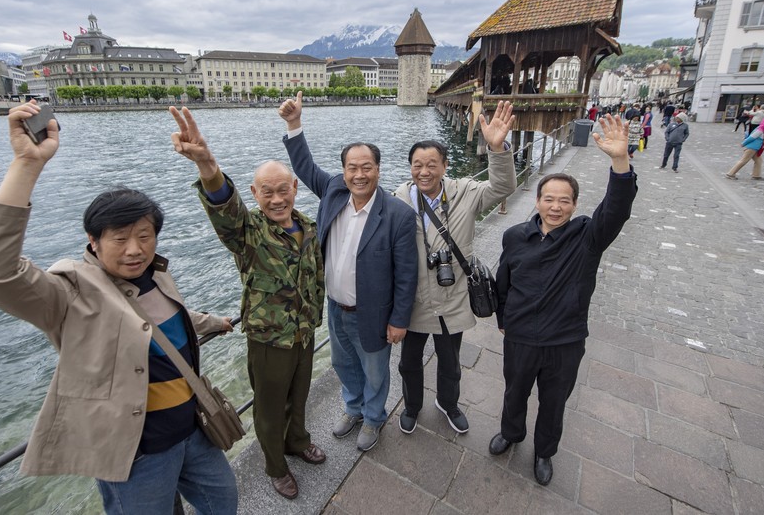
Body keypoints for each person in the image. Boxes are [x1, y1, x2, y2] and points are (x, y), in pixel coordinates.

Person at [0, 103, 238, 515]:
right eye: (119, 237)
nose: (135, 249)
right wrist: (26, 163)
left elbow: (168, 319)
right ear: (92, 240)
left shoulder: (157, 275)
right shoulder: (71, 292)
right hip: (136, 455)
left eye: (145, 235)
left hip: (194, 433)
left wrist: (215, 321)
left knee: (224, 503)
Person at [168, 106, 326, 500]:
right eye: (266, 192)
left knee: (299, 395)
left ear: (294, 187)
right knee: (270, 407)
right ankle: (275, 464)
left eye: (282, 189)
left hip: (305, 331)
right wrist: (207, 165)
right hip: (269, 339)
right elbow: (225, 207)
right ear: (255, 194)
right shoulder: (248, 232)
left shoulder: (308, 226)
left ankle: (298, 440)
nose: (276, 199)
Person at [488, 113, 637, 487]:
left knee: (554, 402)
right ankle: (511, 433)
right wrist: (504, 319)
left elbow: (616, 210)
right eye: (549, 199)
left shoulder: (587, 236)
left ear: (574, 206)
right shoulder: (515, 237)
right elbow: (503, 282)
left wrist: (620, 162)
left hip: (564, 339)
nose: (556, 207)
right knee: (514, 391)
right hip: (521, 336)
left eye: (564, 201)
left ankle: (544, 451)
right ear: (536, 201)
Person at [278, 92, 418, 452]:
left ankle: (373, 418)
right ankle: (353, 408)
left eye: (366, 167)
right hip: (335, 307)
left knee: (375, 370)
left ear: (378, 169)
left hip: (373, 312)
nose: (359, 175)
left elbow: (406, 273)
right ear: (344, 172)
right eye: (352, 168)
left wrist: (399, 319)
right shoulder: (335, 192)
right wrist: (294, 125)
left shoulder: (398, 214)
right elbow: (305, 168)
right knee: (343, 364)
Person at [394, 102, 518, 435]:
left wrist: (497, 148)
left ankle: (448, 404)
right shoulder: (399, 199)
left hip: (452, 297)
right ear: (410, 168)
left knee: (451, 363)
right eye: (417, 165)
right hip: (416, 301)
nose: (424, 171)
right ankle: (412, 406)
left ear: (445, 166)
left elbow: (503, 187)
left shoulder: (466, 192)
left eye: (431, 164)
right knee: (409, 363)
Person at [725, 115, 764, 181]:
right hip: (752, 148)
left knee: (758, 161)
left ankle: (756, 175)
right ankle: (730, 174)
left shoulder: (763, 129)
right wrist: (743, 143)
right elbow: (752, 137)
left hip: (756, 148)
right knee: (743, 161)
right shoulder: (761, 130)